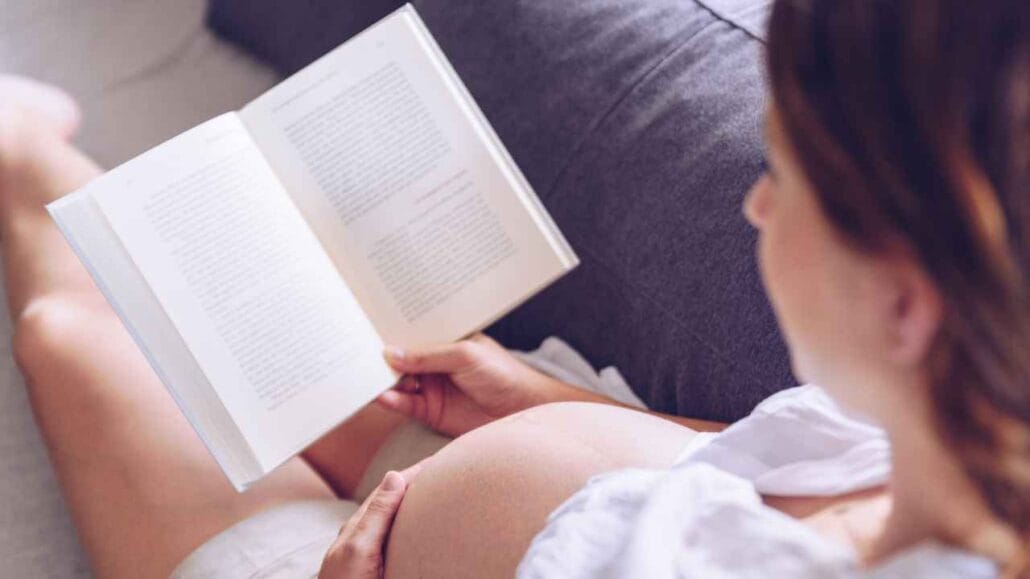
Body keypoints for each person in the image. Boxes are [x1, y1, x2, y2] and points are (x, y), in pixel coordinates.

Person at [2, 0, 1026, 578]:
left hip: (333, 565)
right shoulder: (955, 439)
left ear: (903, 305)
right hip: (498, 470)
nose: (755, 208)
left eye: (784, 178)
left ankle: (19, 153)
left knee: (72, 328)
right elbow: (752, 469)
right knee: (257, 336)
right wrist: (549, 406)